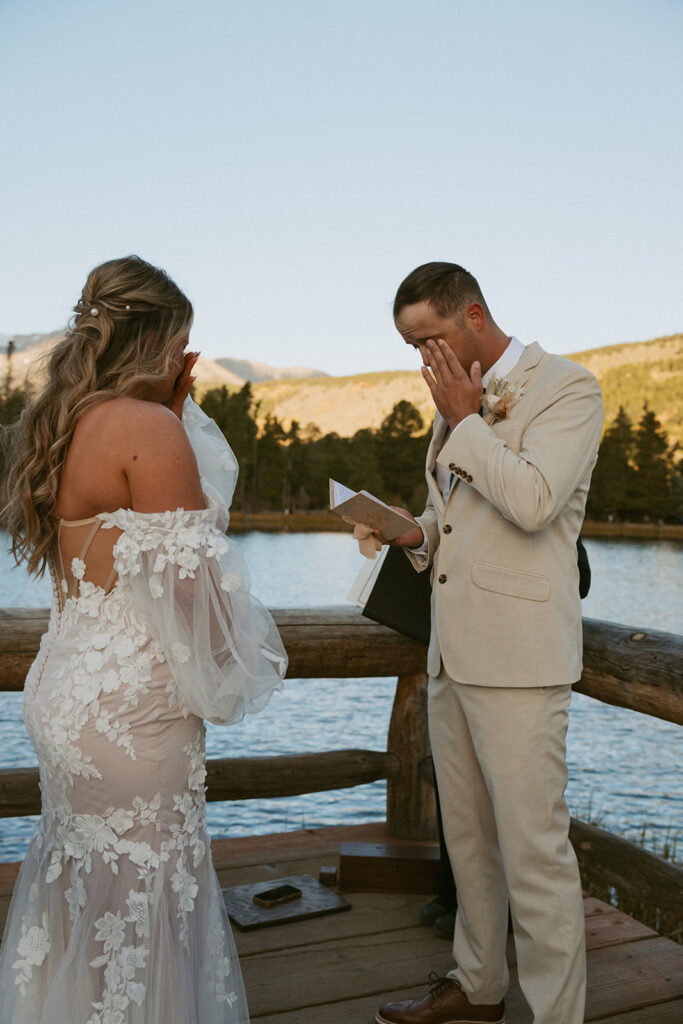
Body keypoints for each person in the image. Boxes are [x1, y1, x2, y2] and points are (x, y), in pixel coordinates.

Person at [0, 255, 287, 1023]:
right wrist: (231, 666)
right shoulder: (147, 430)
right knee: (144, 905)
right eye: (181, 347)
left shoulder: (65, 421)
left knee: (85, 902)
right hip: (133, 715)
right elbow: (197, 597)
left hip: (66, 697)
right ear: (158, 344)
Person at [375, 263, 603, 1024]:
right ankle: (477, 987)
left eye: (430, 338)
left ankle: (556, 1015)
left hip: (520, 660)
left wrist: (466, 420)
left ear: (472, 315)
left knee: (535, 856)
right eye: (412, 346)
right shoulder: (455, 404)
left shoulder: (568, 388)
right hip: (451, 654)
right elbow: (459, 517)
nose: (424, 357)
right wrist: (413, 533)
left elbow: (534, 503)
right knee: (468, 842)